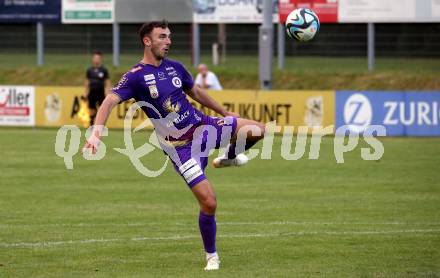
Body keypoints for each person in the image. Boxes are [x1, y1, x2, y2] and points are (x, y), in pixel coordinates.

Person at [83, 20, 265, 271]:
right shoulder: (135, 77)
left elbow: (197, 93)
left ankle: (229, 157)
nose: (168, 41)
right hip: (180, 148)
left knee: (257, 130)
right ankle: (211, 255)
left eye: (169, 36)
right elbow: (108, 102)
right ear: (147, 41)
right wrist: (96, 133)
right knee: (209, 203)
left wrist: (224, 111)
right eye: (162, 37)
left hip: (205, 127)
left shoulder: (176, 68)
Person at [84, 51, 111, 126]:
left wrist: (107, 92)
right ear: (93, 59)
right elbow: (87, 82)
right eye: (95, 58)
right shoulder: (89, 70)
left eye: (98, 58)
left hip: (101, 92)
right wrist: (85, 93)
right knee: (91, 109)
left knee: (102, 108)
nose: (96, 59)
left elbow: (107, 82)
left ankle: (100, 124)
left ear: (100, 59)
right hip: (92, 92)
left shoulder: (104, 70)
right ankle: (91, 123)